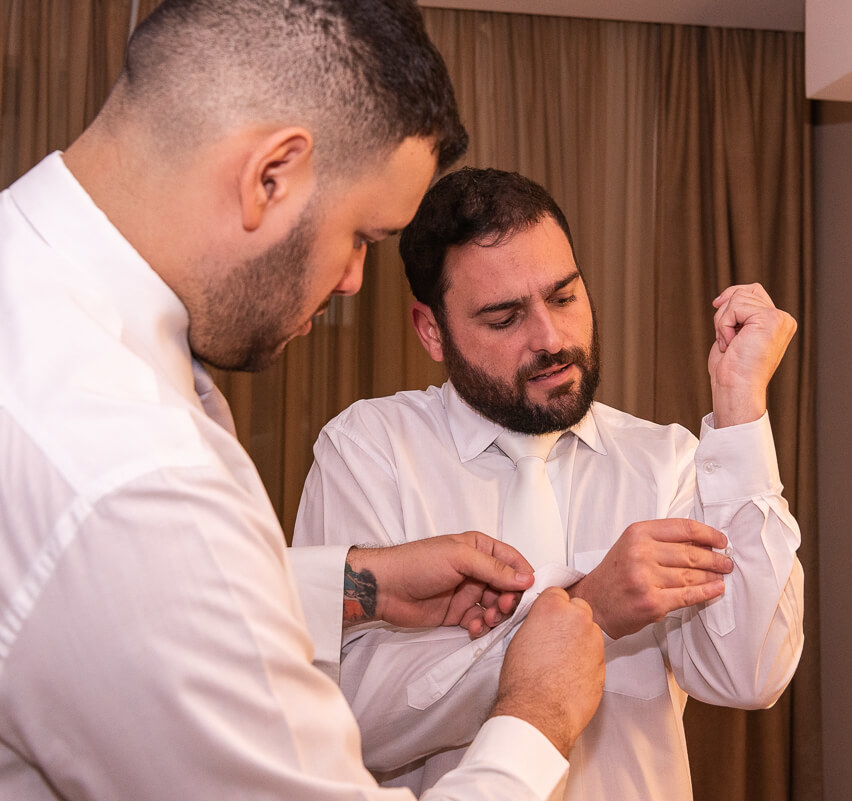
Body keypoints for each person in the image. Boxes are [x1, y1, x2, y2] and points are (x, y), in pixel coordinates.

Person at [0, 3, 606, 800]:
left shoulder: (6, 266)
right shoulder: (130, 472)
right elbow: (143, 552)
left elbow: (105, 606)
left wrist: (357, 585)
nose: (352, 280)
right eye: (361, 236)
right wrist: (536, 715)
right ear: (270, 176)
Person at [293, 167, 806, 800]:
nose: (551, 339)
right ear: (432, 331)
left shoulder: (669, 462)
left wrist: (740, 408)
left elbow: (749, 676)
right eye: (504, 318)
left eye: (563, 298)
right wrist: (588, 609)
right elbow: (342, 721)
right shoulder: (369, 452)